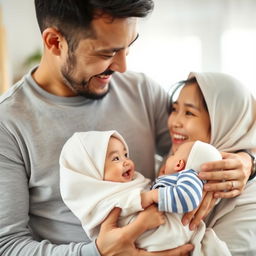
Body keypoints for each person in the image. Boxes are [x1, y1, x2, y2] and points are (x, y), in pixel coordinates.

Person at [0, 0, 253, 255]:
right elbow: (7, 245)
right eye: (107, 53)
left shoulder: (141, 90)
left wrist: (247, 161)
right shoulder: (8, 124)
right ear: (55, 42)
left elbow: (208, 140)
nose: (122, 67)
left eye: (128, 47)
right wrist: (97, 252)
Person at [60, 130, 230, 255]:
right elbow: (122, 204)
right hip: (146, 242)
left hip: (168, 234)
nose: (127, 162)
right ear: (92, 171)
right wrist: (149, 198)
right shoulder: (100, 198)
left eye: (126, 154)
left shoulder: (134, 180)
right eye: (116, 158)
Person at [167, 72, 256, 255]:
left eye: (189, 113)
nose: (174, 122)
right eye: (175, 109)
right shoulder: (171, 166)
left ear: (224, 122)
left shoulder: (250, 201)